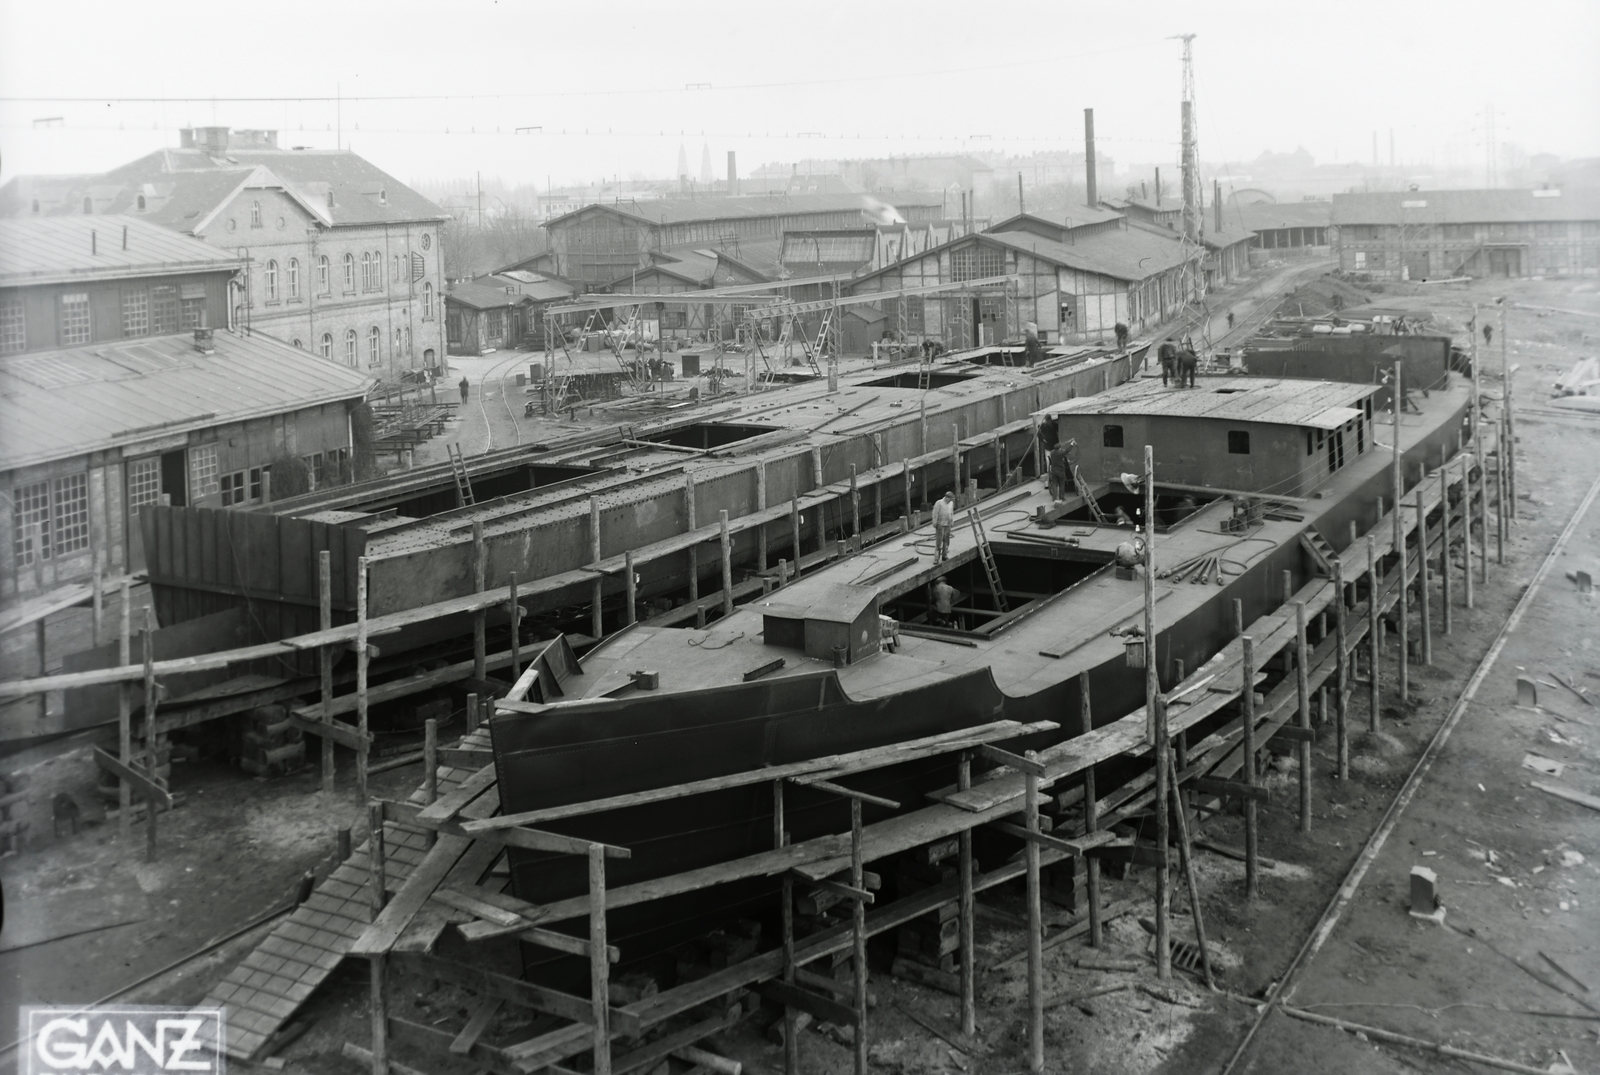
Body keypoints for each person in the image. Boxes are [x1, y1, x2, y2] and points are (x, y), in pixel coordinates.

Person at [932, 491, 956, 561]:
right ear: (946, 497)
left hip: (948, 524)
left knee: (946, 540)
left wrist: (952, 520)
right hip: (940, 525)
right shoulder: (939, 503)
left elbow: (951, 512)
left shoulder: (951, 503)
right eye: (950, 499)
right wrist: (934, 522)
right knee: (939, 541)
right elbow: (935, 513)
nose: (951, 501)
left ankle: (944, 555)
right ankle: (936, 558)